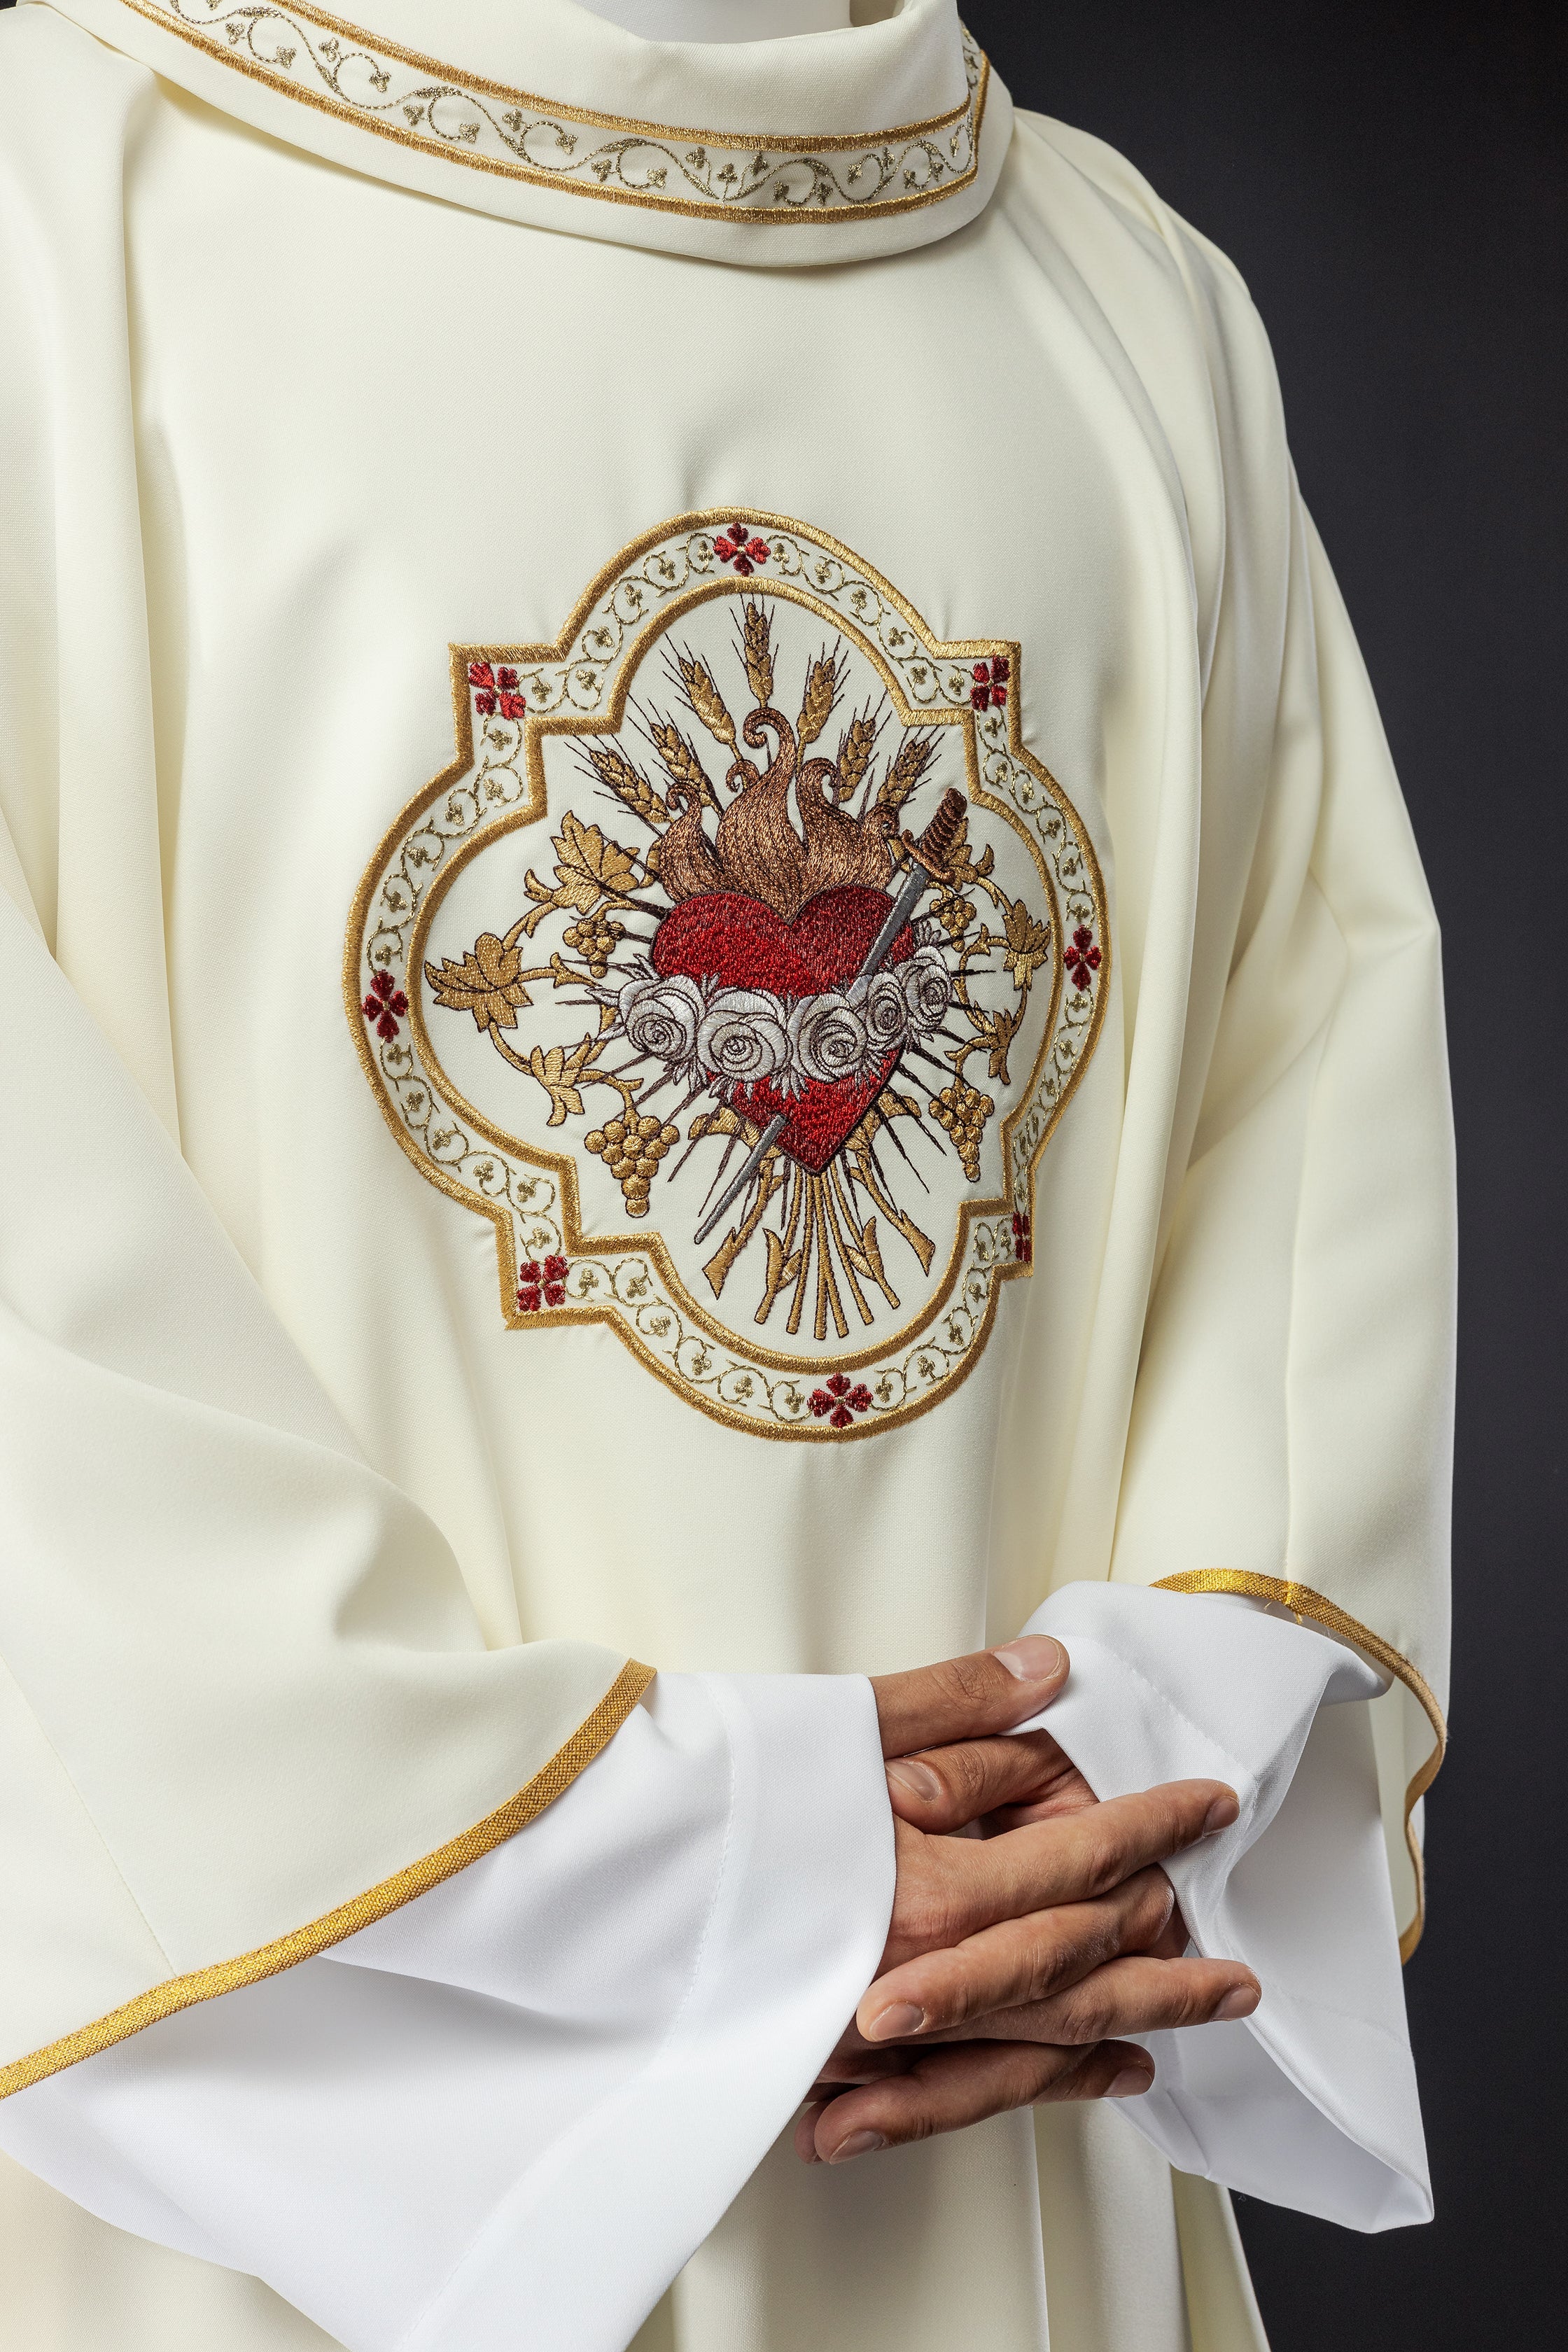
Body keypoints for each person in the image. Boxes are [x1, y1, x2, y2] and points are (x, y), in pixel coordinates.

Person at [0, 1, 1455, 2346]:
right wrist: (682, 1890)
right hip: (283, 2158)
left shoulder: (1133, 298)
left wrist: (1125, 1778)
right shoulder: (50, 209)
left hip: (1014, 2108)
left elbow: (1312, 1148)